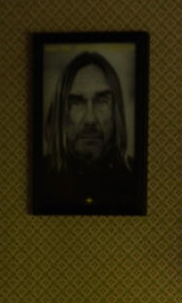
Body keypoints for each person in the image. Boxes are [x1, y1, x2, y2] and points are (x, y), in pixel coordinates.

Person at [36, 50, 135, 213]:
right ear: (60, 112)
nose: (90, 119)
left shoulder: (134, 177)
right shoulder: (41, 176)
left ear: (116, 111)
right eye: (76, 102)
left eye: (102, 101)